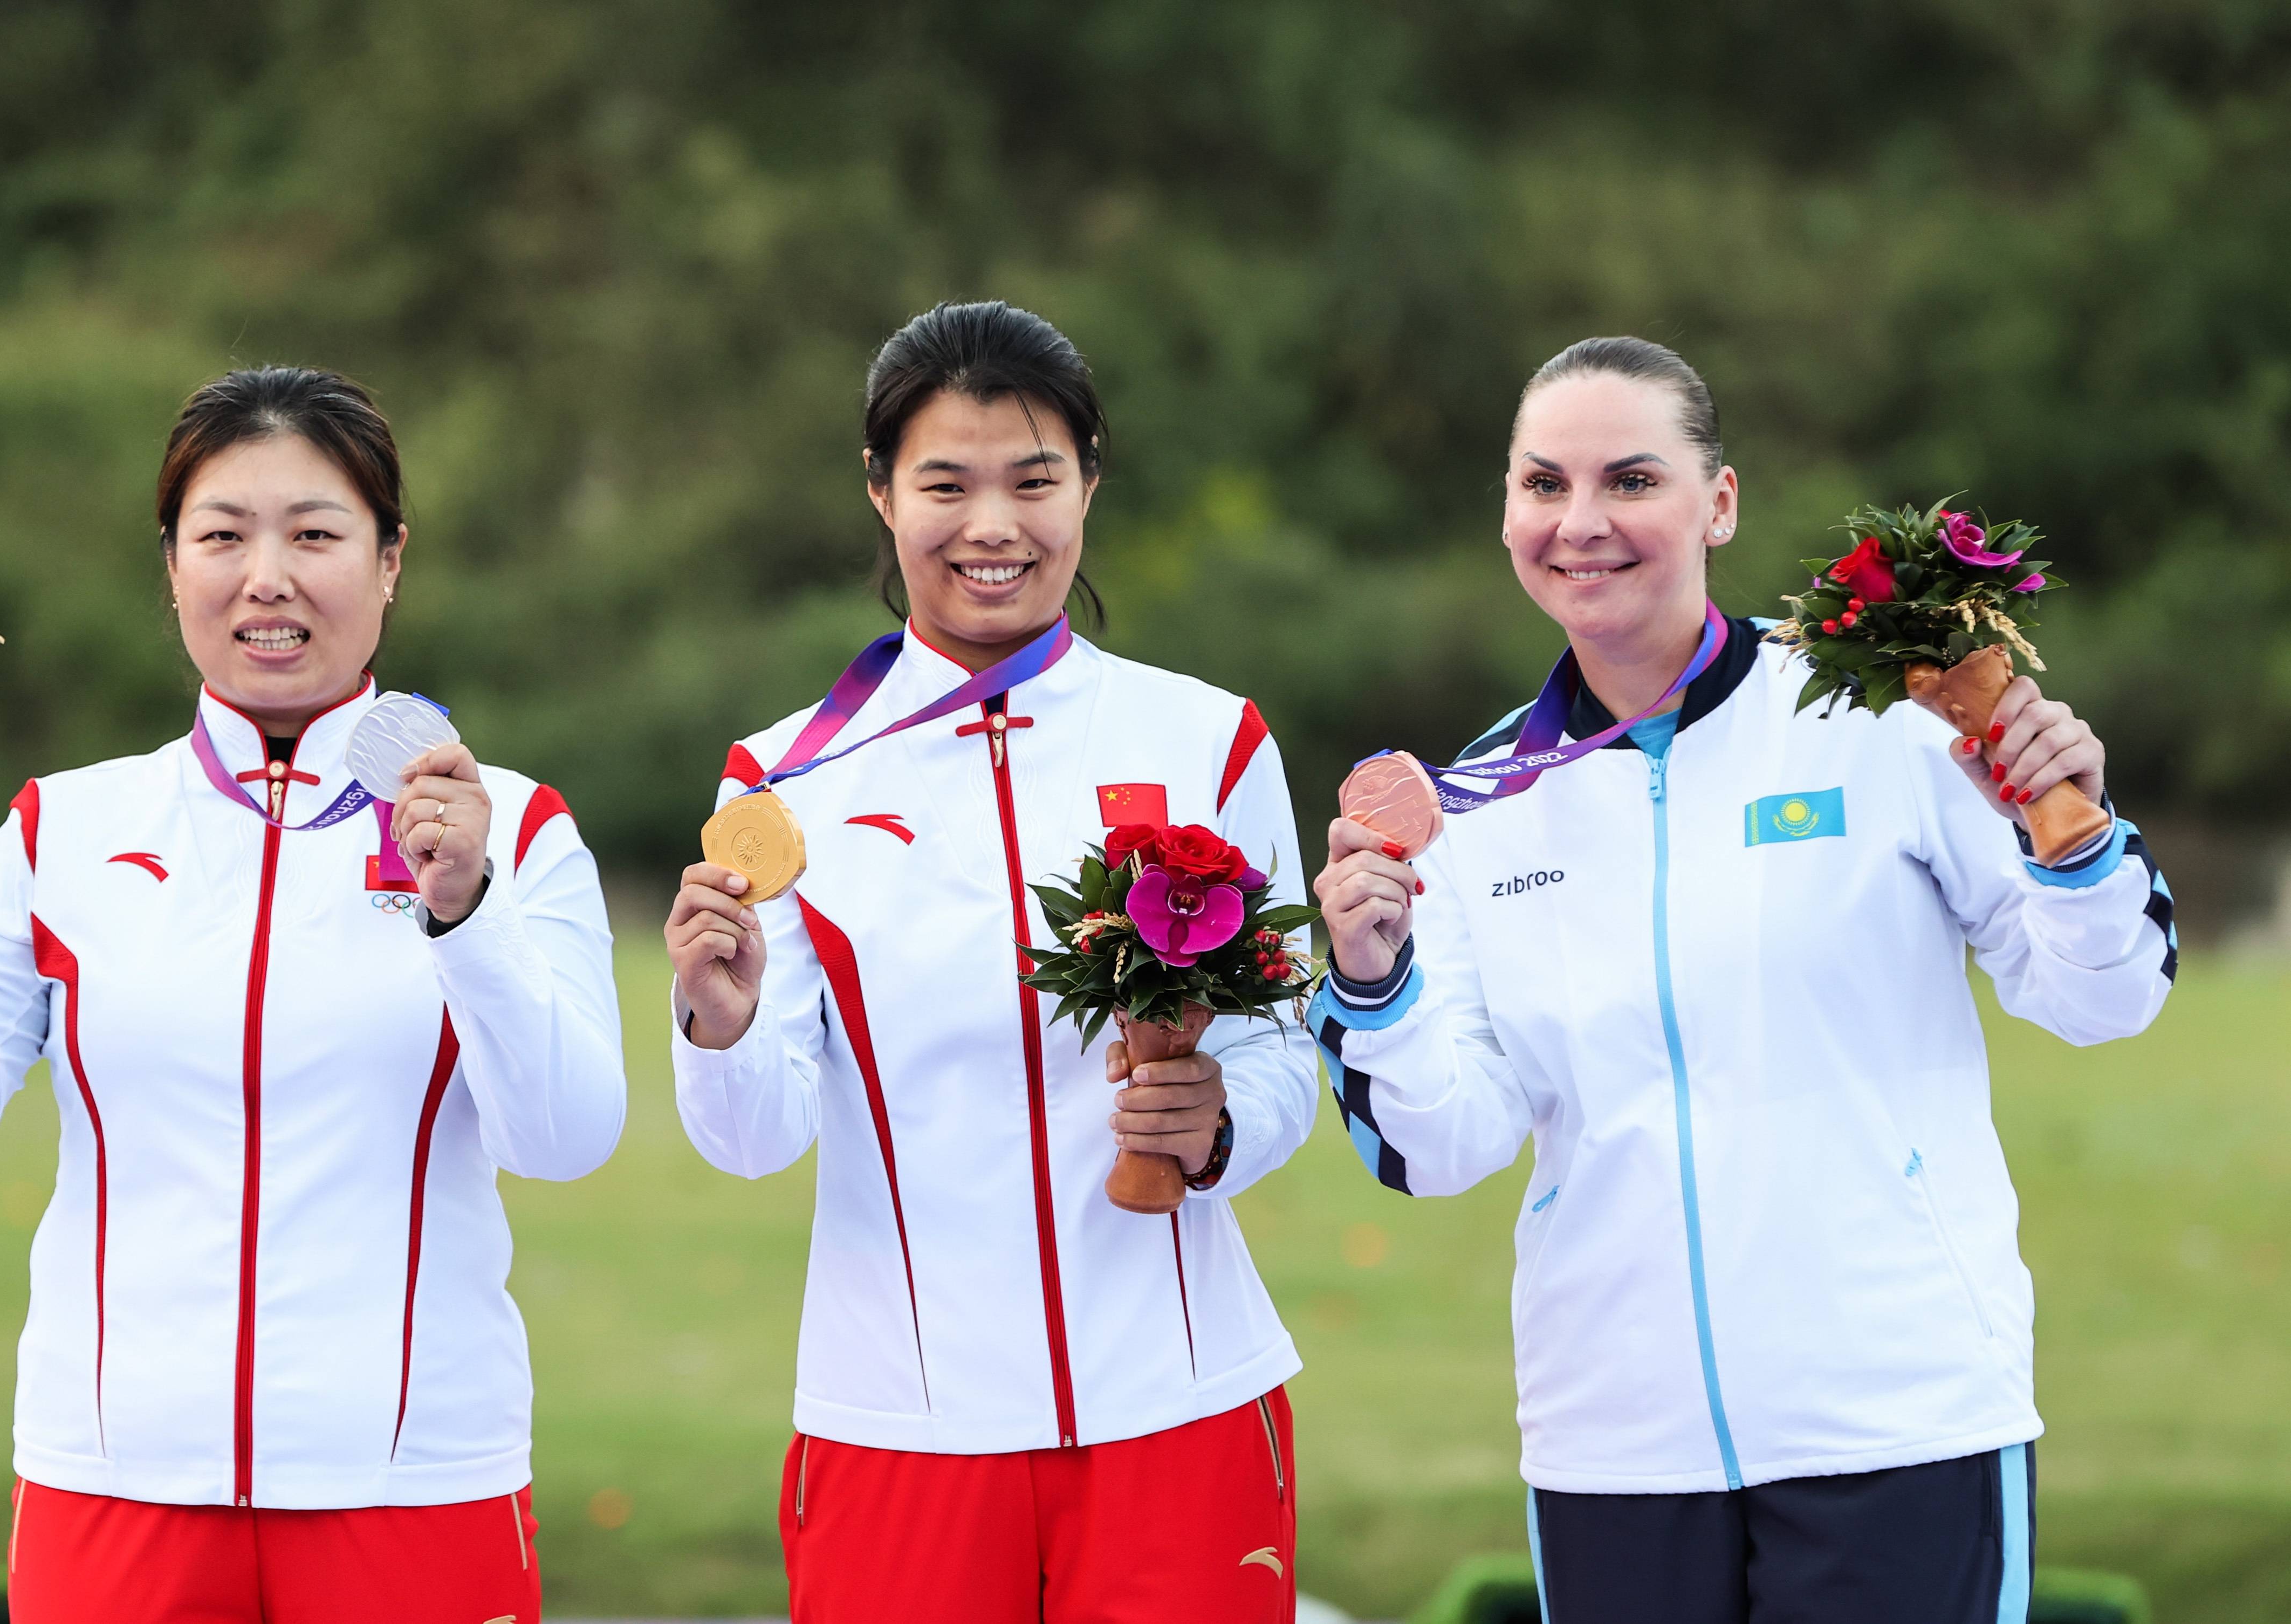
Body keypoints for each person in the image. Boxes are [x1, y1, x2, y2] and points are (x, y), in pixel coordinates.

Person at [1308, 337, 2176, 1624]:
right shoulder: (1474, 803)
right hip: (1614, 1445)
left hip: (1896, 1417)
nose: (1581, 522)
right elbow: (1438, 1148)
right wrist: (1371, 982)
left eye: (1631, 480)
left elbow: (2105, 997)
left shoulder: (1882, 716)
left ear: (1716, 504)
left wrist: (2082, 843)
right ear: (1504, 512)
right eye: (1541, 484)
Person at [0, 367, 625, 1623]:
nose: (265, 577)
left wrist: (467, 909)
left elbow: (564, 1141)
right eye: (221, 535)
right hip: (112, 1494)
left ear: (390, 561)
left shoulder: (517, 827)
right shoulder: (67, 826)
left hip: (414, 1488)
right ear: (170, 566)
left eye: (316, 534)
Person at [663, 302, 1314, 1622]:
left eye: (1034, 479)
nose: (993, 527)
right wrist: (718, 1025)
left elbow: (1288, 1049)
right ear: (878, 492)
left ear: (1090, 478)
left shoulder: (1210, 740)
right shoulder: (782, 778)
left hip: (1177, 1413)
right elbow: (751, 1141)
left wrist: (1223, 1118)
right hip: (898, 1436)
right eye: (944, 484)